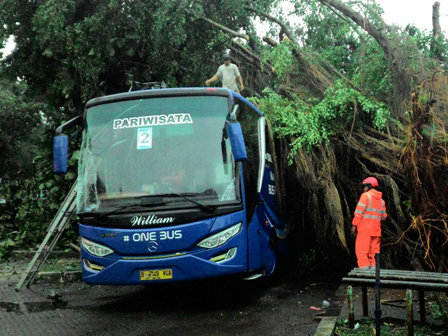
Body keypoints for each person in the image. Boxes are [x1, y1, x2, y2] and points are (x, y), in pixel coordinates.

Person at [351, 177, 387, 269]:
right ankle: (373, 275)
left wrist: (354, 225)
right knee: (373, 254)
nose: (363, 189)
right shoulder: (382, 201)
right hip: (376, 231)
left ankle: (364, 275)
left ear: (369, 186)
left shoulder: (365, 196)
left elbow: (359, 213)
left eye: (364, 186)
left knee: (361, 252)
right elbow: (384, 217)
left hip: (365, 231)